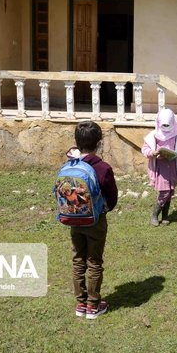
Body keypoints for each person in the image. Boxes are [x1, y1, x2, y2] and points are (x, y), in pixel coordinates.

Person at [68, 121, 118, 320]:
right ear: (99, 143)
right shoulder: (103, 168)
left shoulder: (70, 164)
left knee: (78, 259)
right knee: (94, 261)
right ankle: (93, 305)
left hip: (73, 219)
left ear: (77, 143)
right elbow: (112, 197)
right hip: (95, 220)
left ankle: (80, 303)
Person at [142, 108, 177, 226]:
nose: (166, 127)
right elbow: (145, 149)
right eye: (164, 124)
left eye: (168, 124)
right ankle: (154, 215)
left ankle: (165, 216)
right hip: (160, 168)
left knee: (170, 191)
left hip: (172, 167)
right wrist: (152, 153)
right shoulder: (153, 136)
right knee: (164, 191)